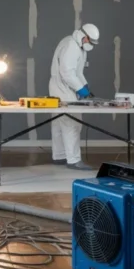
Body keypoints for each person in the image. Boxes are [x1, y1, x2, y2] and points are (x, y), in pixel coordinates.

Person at [49, 23, 100, 170]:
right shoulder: (71, 46)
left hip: (59, 88)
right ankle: (73, 160)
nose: (89, 44)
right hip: (63, 89)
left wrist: (85, 86)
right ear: (84, 36)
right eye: (89, 41)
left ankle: (59, 156)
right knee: (72, 123)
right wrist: (81, 89)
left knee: (59, 123)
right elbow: (67, 73)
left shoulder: (75, 44)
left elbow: (77, 73)